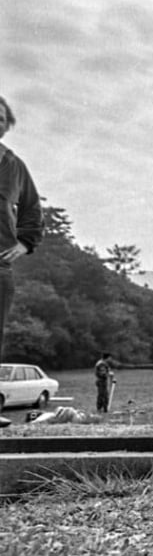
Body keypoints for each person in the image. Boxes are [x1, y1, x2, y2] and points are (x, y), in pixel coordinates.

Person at [0, 96, 44, 359]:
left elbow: (33, 208)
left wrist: (25, 242)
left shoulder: (14, 166)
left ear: (6, 127)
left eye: (1, 119)